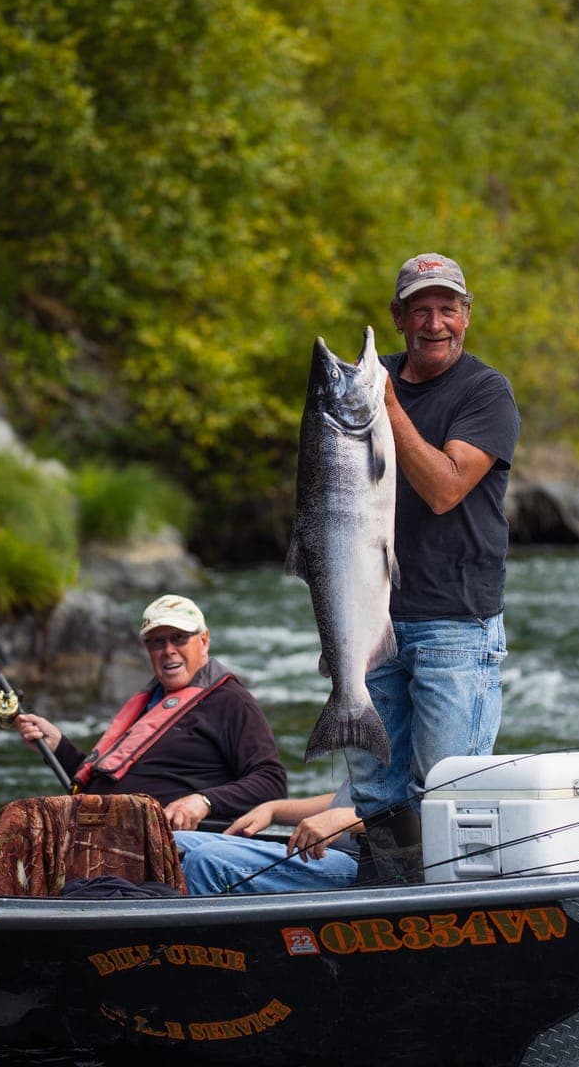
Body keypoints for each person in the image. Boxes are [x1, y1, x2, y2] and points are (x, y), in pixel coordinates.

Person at [344, 253, 521, 885]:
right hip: (368, 619)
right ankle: (387, 903)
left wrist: (388, 408)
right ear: (398, 318)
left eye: (448, 307)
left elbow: (445, 488)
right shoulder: (365, 382)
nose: (435, 321)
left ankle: (451, 911)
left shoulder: (485, 392)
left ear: (466, 316)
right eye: (420, 308)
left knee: (446, 791)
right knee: (376, 794)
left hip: (456, 622)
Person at [15, 593, 288, 830]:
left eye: (179, 638)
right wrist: (58, 746)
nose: (168, 650)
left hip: (164, 846)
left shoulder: (232, 702)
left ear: (204, 641)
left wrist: (204, 801)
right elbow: (105, 783)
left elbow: (271, 783)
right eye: (157, 642)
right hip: (100, 827)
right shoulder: (149, 702)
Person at [174, 777, 359, 894]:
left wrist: (348, 818)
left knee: (209, 860)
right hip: (324, 850)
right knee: (173, 841)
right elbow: (347, 798)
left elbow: (386, 811)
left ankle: (190, 950)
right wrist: (274, 809)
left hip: (366, 866)